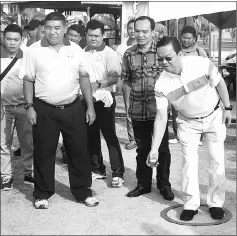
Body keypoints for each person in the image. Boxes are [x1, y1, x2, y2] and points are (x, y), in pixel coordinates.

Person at [149, 36, 232, 221]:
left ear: (179, 54)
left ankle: (216, 203)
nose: (164, 62)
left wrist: (227, 108)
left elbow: (219, 83)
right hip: (187, 123)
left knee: (216, 161)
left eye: (168, 58)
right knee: (189, 163)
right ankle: (190, 204)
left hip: (213, 116)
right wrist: (153, 149)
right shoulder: (161, 84)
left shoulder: (202, 64)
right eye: (160, 58)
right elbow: (161, 117)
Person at [21, 12, 98, 209]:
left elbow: (84, 78)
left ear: (65, 28)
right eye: (48, 27)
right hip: (44, 109)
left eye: (57, 28)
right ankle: (42, 193)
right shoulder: (34, 50)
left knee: (78, 151)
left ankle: (82, 192)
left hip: (73, 107)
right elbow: (28, 79)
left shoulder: (77, 50)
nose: (52, 32)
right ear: (42, 28)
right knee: (44, 152)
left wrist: (89, 106)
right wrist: (29, 107)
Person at [121, 16, 174, 200]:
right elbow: (127, 80)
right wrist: (128, 105)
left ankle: (164, 184)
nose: (140, 35)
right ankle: (143, 184)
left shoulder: (161, 53)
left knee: (162, 149)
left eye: (145, 31)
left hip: (159, 110)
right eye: (137, 31)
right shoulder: (129, 54)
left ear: (153, 32)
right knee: (142, 149)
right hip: (138, 110)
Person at [83, 19, 125, 187]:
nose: (93, 39)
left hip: (105, 99)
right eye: (90, 35)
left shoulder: (109, 53)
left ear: (103, 36)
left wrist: (99, 84)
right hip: (87, 100)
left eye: (97, 36)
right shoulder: (82, 53)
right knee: (91, 136)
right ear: (86, 35)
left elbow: (115, 77)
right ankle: (97, 169)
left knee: (109, 136)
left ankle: (118, 172)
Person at [1, 24, 34, 190]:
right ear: (3, 38)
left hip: (24, 106)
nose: (12, 43)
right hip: (3, 108)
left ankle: (29, 172)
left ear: (22, 40)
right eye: (8, 39)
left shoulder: (28, 56)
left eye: (16, 39)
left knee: (28, 142)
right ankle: (6, 177)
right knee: (3, 143)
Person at [169, 25, 208, 145]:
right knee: (177, 111)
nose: (186, 40)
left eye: (189, 38)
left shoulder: (199, 51)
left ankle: (198, 137)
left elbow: (207, 67)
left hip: (196, 86)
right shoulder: (176, 50)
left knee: (197, 110)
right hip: (179, 85)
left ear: (194, 39)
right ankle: (178, 136)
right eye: (184, 37)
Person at [116, 19, 137, 150]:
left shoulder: (148, 46)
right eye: (130, 28)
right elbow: (119, 67)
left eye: (135, 28)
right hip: (127, 83)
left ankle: (147, 138)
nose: (133, 31)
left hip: (143, 82)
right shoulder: (122, 48)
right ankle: (133, 138)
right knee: (129, 110)